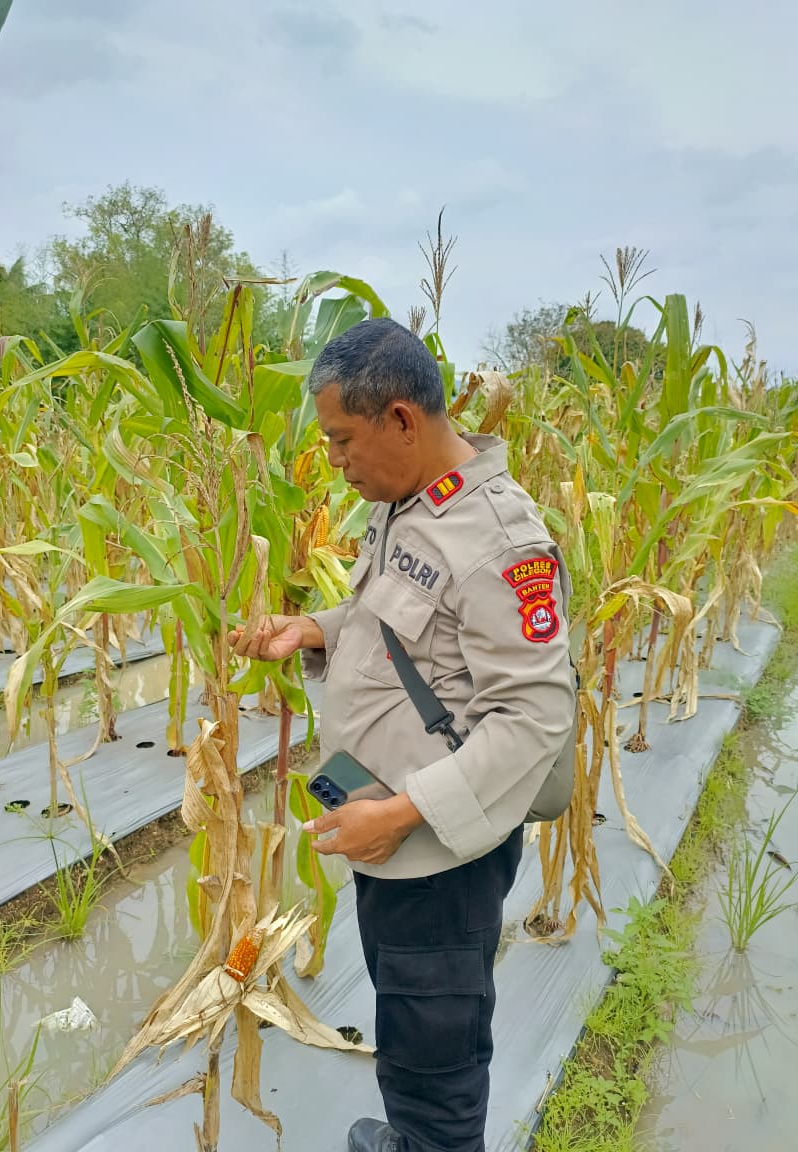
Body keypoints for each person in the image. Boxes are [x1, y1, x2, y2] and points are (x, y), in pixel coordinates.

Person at [229, 318, 576, 1152]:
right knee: (407, 1020)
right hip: (391, 836)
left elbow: (532, 717)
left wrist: (399, 814)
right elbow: (396, 624)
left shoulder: (499, 540)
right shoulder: (409, 504)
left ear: (400, 420)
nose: (335, 461)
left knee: (437, 1062)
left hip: (439, 861)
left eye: (342, 440)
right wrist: (312, 629)